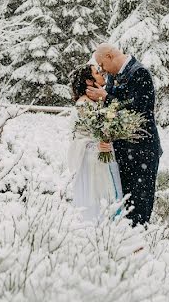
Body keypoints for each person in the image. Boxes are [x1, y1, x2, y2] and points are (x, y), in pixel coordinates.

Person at [86, 43, 162, 226]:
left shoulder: (140, 73)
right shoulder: (113, 78)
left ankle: (140, 245)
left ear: (110, 56)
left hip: (142, 151)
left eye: (102, 65)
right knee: (123, 205)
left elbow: (139, 108)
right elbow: (114, 110)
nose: (102, 71)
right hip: (121, 152)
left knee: (140, 205)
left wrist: (106, 98)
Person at [66, 63, 125, 222]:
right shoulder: (83, 105)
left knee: (109, 199)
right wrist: (97, 145)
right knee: (97, 201)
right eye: (97, 72)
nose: (102, 74)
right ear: (89, 81)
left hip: (104, 158)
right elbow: (78, 137)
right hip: (92, 163)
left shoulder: (97, 102)